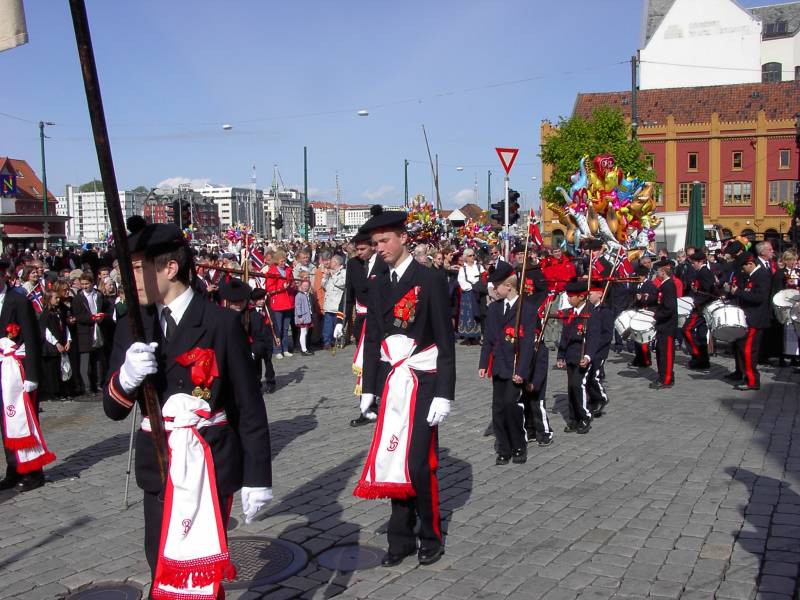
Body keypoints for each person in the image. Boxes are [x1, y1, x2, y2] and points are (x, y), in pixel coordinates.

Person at [102, 224, 272, 598]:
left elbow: (249, 407)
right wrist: (126, 379)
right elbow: (112, 410)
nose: (128, 279)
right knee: (160, 564)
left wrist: (258, 476)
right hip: (158, 465)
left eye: (136, 268)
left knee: (202, 573)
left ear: (170, 269)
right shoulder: (133, 324)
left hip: (208, 462)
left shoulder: (220, 323)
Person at [353, 207, 455, 568]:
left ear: (403, 238)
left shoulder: (429, 280)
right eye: (375, 242)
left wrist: (445, 391)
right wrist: (368, 386)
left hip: (423, 380)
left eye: (385, 240)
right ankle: (401, 536)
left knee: (418, 461)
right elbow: (372, 338)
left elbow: (444, 338)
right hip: (391, 380)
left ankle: (430, 534)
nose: (379, 247)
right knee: (394, 458)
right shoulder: (378, 282)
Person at [478, 262, 536, 465]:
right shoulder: (494, 309)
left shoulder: (526, 309)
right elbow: (490, 338)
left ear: (509, 286)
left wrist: (522, 370)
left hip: (514, 367)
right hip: (499, 366)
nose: (494, 289)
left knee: (512, 406)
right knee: (498, 408)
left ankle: (518, 444)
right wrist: (483, 363)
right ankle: (503, 448)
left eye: (497, 286)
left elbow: (528, 344)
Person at [556, 281, 599, 435]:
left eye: (571, 296)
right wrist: (561, 354)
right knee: (571, 387)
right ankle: (573, 418)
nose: (568, 299)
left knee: (577, 385)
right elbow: (565, 336)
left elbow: (594, 338)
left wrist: (588, 356)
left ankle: (584, 417)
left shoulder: (591, 312)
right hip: (571, 356)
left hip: (583, 356)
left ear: (581, 297)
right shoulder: (571, 312)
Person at [730, 253, 771, 391]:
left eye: (743, 268)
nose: (742, 271)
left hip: (756, 318)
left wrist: (739, 293)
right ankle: (747, 377)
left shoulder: (761, 275)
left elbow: (759, 297)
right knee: (743, 347)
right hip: (749, 317)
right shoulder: (752, 275)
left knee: (748, 350)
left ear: (750, 264)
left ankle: (752, 381)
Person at [72, 271, 109, 394]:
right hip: (85, 332)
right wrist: (91, 318)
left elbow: (105, 309)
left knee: (98, 360)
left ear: (92, 283)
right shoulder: (78, 298)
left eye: (87, 284)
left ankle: (99, 383)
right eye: (82, 284)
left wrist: (102, 317)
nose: (84, 286)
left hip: (98, 330)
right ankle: (87, 386)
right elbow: (78, 316)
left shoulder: (98, 295)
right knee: (85, 361)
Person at [648, 260, 678, 389]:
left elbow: (669, 308)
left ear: (663, 272)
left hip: (667, 325)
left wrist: (656, 316)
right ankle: (663, 375)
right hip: (662, 325)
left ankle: (666, 379)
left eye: (658, 271)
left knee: (666, 353)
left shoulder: (669, 285)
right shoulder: (663, 285)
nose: (656, 273)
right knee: (661, 352)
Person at [684, 252, 716, 371]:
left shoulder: (704, 272)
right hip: (701, 307)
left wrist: (697, 301)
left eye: (693, 263)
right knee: (701, 335)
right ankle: (704, 360)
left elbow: (710, 292)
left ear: (700, 262)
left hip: (701, 309)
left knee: (686, 329)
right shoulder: (701, 272)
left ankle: (697, 356)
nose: (692, 265)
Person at [39, 289, 72, 402]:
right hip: (50, 347)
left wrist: (68, 340)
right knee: (52, 371)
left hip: (62, 342)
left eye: (58, 298)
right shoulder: (45, 314)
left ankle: (64, 390)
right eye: (55, 298)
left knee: (62, 369)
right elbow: (46, 331)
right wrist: (56, 343)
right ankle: (54, 393)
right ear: (49, 299)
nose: (58, 300)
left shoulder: (60, 311)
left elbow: (65, 327)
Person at [586, 281, 613, 416]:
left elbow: (607, 334)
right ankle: (593, 398)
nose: (588, 296)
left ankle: (601, 398)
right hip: (589, 349)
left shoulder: (605, 311)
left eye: (591, 294)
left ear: (599, 294)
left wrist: (596, 346)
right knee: (587, 375)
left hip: (599, 350)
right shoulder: (590, 309)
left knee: (594, 375)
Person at [772, 249, 800, 367]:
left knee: (795, 330)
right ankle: (782, 357)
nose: (793, 262)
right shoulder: (780, 272)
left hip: (796, 304)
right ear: (785, 260)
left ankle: (794, 356)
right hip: (784, 304)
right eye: (790, 260)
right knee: (783, 331)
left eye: (794, 259)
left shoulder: (798, 272)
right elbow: (777, 289)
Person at [265, 250, 295, 358]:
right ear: (277, 261)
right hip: (278, 302)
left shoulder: (288, 270)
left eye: (284, 261)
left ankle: (285, 348)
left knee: (286, 328)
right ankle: (277, 349)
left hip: (288, 302)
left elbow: (292, 283)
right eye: (281, 261)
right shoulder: (272, 272)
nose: (283, 263)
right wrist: (282, 288)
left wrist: (291, 286)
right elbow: (269, 288)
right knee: (277, 328)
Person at [251, 288, 276, 392]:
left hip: (267, 340)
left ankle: (270, 382)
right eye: (259, 299)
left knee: (268, 362)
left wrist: (277, 336)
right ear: (254, 300)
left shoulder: (268, 310)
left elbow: (274, 325)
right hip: (256, 342)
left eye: (263, 298)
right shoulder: (250, 312)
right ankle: (257, 383)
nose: (262, 301)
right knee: (256, 364)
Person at [456, 248, 483, 344]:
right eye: (470, 256)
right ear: (466, 257)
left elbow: (483, 277)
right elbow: (461, 281)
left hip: (478, 293)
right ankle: (468, 336)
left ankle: (478, 335)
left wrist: (478, 286)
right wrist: (472, 286)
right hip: (468, 294)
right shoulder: (463, 269)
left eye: (473, 255)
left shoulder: (479, 267)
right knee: (468, 313)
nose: (472, 257)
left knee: (478, 312)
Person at [321, 255, 346, 349]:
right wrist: (326, 276)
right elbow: (323, 285)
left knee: (337, 325)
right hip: (328, 305)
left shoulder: (343, 272)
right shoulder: (330, 272)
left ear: (336, 263)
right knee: (327, 326)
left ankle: (337, 341)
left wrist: (333, 275)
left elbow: (342, 284)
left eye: (331, 262)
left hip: (337, 305)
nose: (329, 264)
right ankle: (327, 342)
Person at [294, 278, 314, 356]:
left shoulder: (308, 294)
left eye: (307, 286)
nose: (306, 287)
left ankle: (305, 348)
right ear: (301, 286)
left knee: (305, 332)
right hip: (303, 317)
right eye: (304, 285)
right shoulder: (299, 295)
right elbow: (298, 306)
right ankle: (303, 349)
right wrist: (300, 316)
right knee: (303, 332)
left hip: (308, 316)